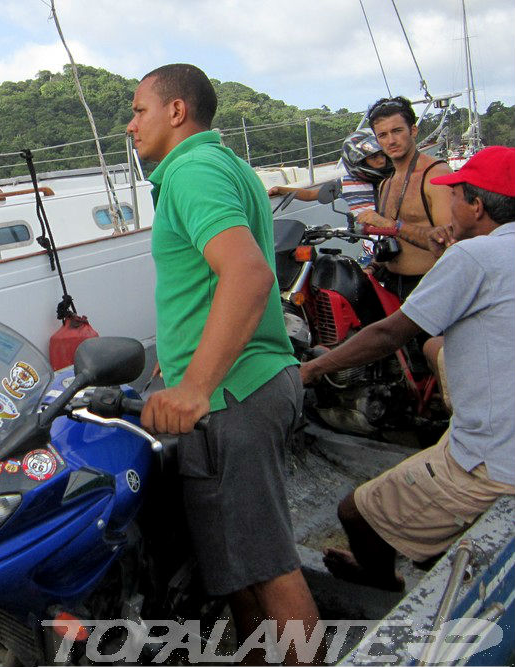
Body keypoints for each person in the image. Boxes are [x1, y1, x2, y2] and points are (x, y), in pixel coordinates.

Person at [128, 63, 319, 661]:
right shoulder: (227, 164)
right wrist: (176, 366)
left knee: (267, 568)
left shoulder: (191, 170)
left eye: (139, 111)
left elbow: (248, 273)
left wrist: (197, 387)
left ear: (176, 112)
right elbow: (207, 285)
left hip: (234, 394)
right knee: (238, 567)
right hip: (250, 384)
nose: (130, 125)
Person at [300, 146, 515, 591]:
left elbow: (386, 336)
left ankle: (381, 578)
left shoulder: (474, 259)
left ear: (476, 206)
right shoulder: (488, 252)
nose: (448, 205)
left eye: (454, 196)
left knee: (354, 511)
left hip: (491, 462)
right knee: (436, 343)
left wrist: (312, 370)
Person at [355, 96, 453, 300]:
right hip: (392, 286)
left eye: (397, 131)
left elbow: (449, 242)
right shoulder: (386, 184)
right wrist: (373, 265)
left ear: (413, 131)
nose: (390, 140)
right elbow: (394, 241)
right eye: (382, 135)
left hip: (431, 286)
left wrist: (390, 225)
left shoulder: (436, 174)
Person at [268, 129, 392, 213]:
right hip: (370, 246)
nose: (381, 160)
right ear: (359, 161)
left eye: (382, 155)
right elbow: (310, 195)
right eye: (373, 157)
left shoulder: (395, 179)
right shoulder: (347, 183)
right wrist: (281, 189)